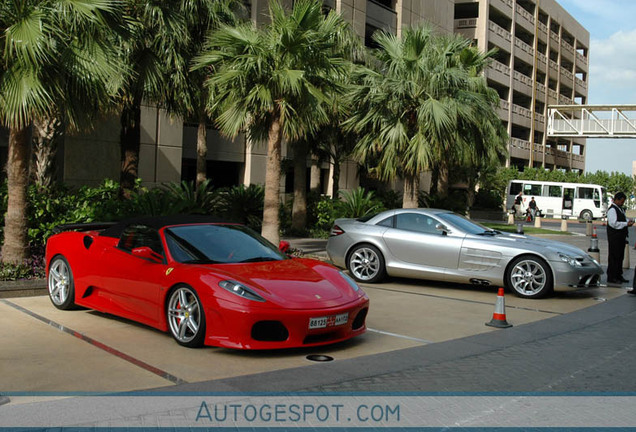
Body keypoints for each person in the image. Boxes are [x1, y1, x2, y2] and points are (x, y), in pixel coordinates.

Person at [606, 192, 634, 284]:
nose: (622, 203)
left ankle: (618, 275)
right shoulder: (612, 210)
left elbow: (622, 219)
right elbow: (613, 223)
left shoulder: (620, 209)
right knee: (614, 257)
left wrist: (628, 221)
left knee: (620, 257)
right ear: (616, 200)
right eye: (621, 201)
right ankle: (612, 276)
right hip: (614, 237)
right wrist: (626, 224)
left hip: (620, 237)